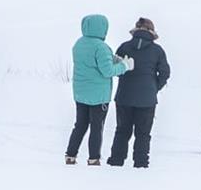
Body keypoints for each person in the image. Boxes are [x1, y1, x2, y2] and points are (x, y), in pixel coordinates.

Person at [109, 18, 171, 169]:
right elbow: (165, 73)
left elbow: (116, 67)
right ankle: (141, 163)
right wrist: (154, 87)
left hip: (124, 96)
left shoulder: (124, 47)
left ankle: (116, 161)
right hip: (147, 99)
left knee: (122, 131)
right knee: (143, 133)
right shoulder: (158, 51)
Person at [67, 14, 124, 165]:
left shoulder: (78, 44)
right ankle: (94, 158)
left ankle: (70, 155)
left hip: (80, 93)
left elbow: (92, 61)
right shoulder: (101, 47)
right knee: (96, 127)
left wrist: (112, 58)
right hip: (98, 96)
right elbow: (108, 71)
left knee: (80, 124)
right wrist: (124, 66)